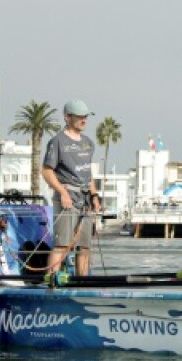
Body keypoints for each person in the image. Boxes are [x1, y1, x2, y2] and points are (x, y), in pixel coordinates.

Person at [41, 99, 102, 275]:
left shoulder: (88, 143)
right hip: (67, 198)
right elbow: (46, 172)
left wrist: (94, 195)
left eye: (86, 117)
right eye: (80, 116)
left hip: (85, 200)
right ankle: (52, 280)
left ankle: (82, 283)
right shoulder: (57, 142)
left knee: (84, 247)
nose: (84, 120)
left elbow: (87, 172)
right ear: (67, 117)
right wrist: (62, 192)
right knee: (62, 244)